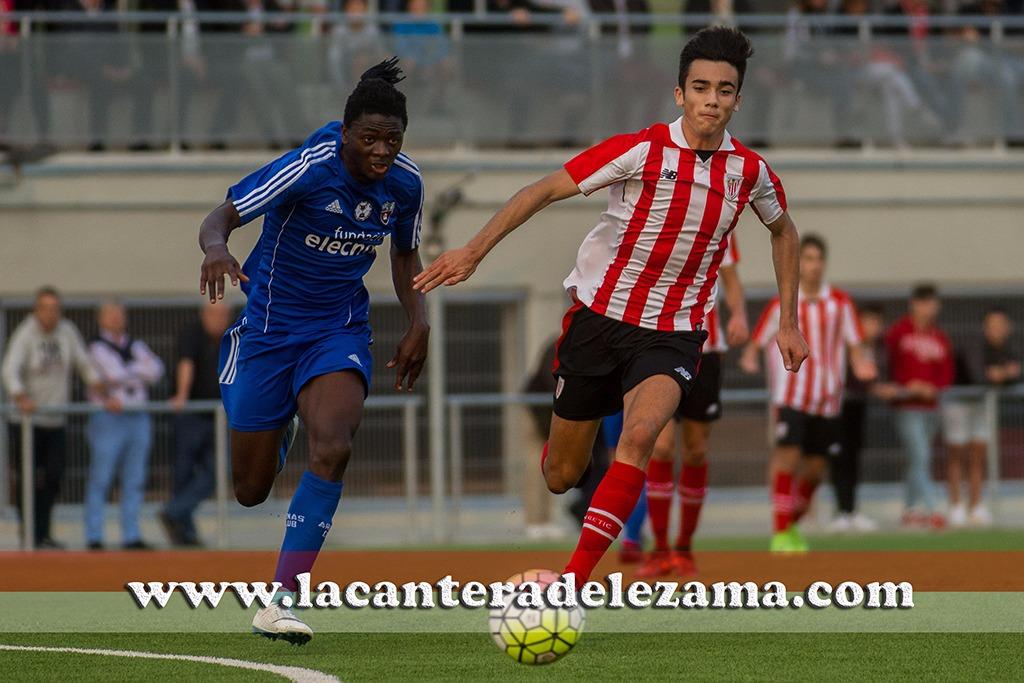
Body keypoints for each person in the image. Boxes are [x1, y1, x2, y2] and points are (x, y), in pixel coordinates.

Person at [416, 27, 809, 585]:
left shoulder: (750, 173)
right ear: (680, 94)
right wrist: (473, 251)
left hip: (673, 333)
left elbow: (785, 232)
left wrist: (788, 321)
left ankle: (571, 584)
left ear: (738, 99)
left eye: (725, 90)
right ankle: (567, 441)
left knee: (641, 436)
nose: (712, 100)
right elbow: (543, 190)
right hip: (598, 321)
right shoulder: (640, 149)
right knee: (561, 474)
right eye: (701, 87)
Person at [197, 58, 427, 643]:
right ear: (347, 133)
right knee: (249, 493)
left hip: (338, 329)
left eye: (393, 140)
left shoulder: (406, 183)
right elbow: (222, 214)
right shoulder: (309, 168)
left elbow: (403, 254)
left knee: (335, 446)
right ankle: (279, 428)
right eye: (371, 139)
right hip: (270, 331)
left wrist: (418, 319)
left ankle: (282, 599)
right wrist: (217, 249)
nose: (382, 152)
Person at [741, 235, 875, 553]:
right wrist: (748, 357)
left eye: (818, 259)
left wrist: (862, 365)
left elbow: (855, 345)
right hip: (791, 395)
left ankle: (791, 522)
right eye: (808, 259)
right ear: (799, 263)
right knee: (786, 458)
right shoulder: (783, 304)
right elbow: (756, 343)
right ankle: (780, 533)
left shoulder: (840, 303)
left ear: (824, 263)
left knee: (816, 469)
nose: (814, 266)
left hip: (828, 398)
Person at [635, 236, 748, 578]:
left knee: (696, 450)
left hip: (706, 350)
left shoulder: (721, 218)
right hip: (660, 344)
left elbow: (730, 278)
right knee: (662, 447)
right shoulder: (660, 216)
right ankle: (660, 548)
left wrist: (739, 315)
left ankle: (684, 546)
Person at [2, 287, 105, 548]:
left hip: (56, 420)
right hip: (27, 424)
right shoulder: (26, 334)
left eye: (55, 309)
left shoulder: (67, 331)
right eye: (45, 309)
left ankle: (44, 532)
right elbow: (9, 369)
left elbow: (83, 363)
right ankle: (30, 534)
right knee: (27, 479)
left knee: (54, 475)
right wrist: (20, 396)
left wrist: (98, 385)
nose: (51, 314)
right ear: (36, 310)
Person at [84, 299, 165, 550]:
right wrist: (136, 371)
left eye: (120, 314)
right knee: (101, 476)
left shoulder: (136, 345)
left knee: (135, 477)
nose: (116, 319)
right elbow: (111, 375)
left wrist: (127, 372)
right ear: (101, 319)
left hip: (138, 416)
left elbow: (157, 370)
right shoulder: (95, 347)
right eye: (111, 315)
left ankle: (132, 534)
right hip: (109, 419)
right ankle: (94, 535)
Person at [161, 300, 234, 547]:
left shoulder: (234, 334)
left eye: (224, 314)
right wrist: (182, 395)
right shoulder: (192, 332)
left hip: (220, 414)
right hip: (192, 414)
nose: (219, 319)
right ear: (204, 314)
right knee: (183, 471)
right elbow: (186, 364)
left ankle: (174, 511)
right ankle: (184, 531)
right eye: (215, 314)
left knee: (218, 469)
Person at [882, 283, 952, 530]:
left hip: (930, 407)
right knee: (921, 455)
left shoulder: (939, 337)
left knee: (917, 459)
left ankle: (910, 510)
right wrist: (905, 386)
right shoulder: (898, 333)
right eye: (923, 303)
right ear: (914, 304)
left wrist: (932, 387)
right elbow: (886, 365)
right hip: (906, 406)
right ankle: (933, 508)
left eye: (931, 303)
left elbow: (946, 373)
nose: (928, 309)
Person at [946, 307, 1021, 527]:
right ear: (985, 328)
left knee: (979, 453)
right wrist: (1002, 374)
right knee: (957, 452)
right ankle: (956, 505)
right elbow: (978, 376)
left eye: (1001, 325)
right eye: (992, 326)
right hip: (959, 403)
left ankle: (976, 505)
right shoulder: (975, 346)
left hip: (983, 404)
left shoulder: (1009, 349)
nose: (996, 330)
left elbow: (1016, 374)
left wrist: (1002, 375)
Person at [829, 302, 885, 533]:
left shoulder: (878, 348)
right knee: (838, 458)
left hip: (858, 406)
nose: (872, 327)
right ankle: (841, 511)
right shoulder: (847, 345)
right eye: (868, 321)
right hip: (839, 405)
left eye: (876, 322)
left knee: (853, 457)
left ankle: (851, 510)